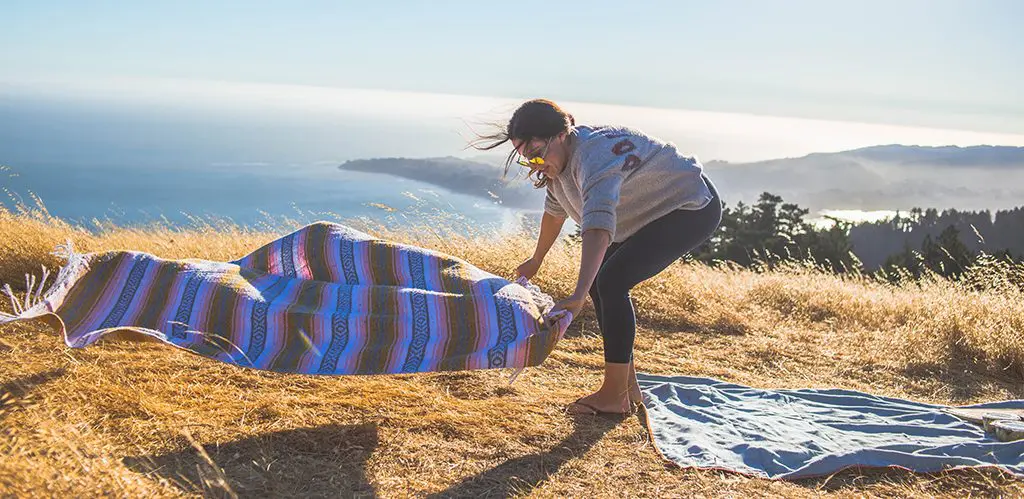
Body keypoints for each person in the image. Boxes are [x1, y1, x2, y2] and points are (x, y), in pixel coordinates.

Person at [471, 99, 722, 415]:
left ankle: (614, 395)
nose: (533, 164)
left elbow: (598, 227)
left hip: (689, 205)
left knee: (611, 282)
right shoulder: (559, 162)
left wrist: (576, 296)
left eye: (536, 153)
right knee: (600, 283)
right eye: (525, 160)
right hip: (646, 215)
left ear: (560, 135)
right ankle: (627, 389)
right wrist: (537, 259)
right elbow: (555, 209)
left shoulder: (593, 156)